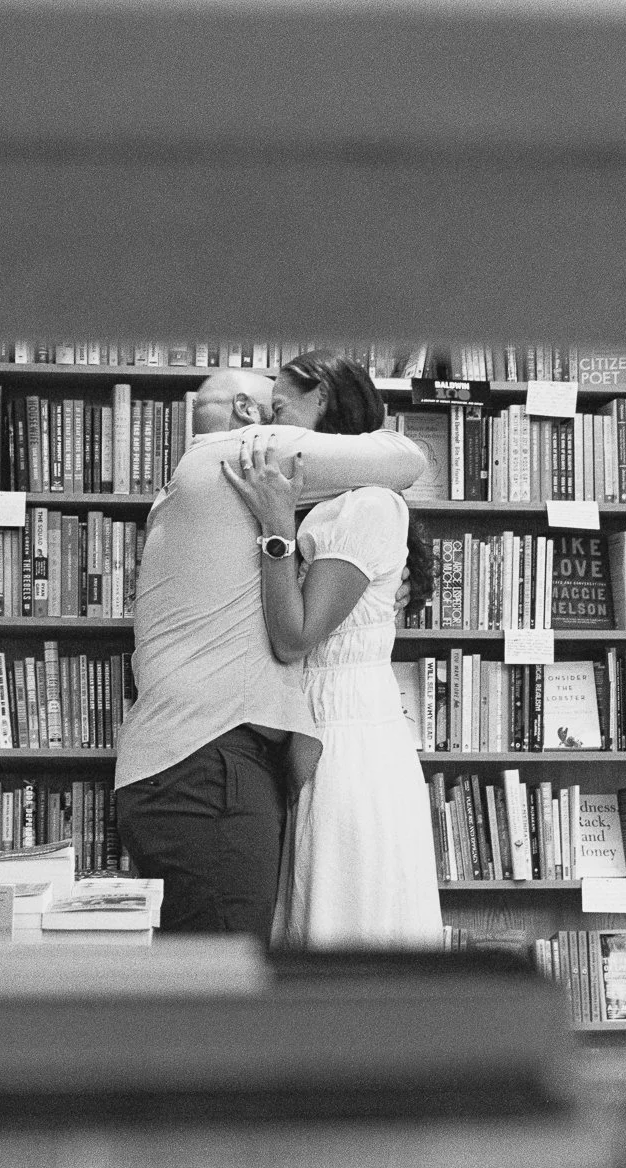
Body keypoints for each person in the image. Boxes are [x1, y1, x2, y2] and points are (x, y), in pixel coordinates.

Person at [114, 362, 425, 940]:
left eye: (285, 407)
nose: (277, 419)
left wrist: (374, 587)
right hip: (212, 763)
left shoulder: (221, 487)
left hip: (212, 760)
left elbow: (317, 609)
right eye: (273, 408)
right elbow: (409, 459)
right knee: (232, 972)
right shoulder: (244, 454)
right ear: (247, 414)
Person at [222, 350, 443, 948]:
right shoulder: (334, 504)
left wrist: (274, 525)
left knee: (345, 913)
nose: (271, 429)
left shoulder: (366, 505)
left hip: (345, 732)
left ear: (320, 399)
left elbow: (295, 637)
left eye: (281, 410)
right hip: (322, 719)